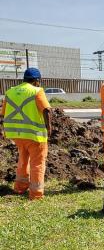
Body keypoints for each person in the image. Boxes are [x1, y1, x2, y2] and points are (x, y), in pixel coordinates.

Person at [0, 68, 52, 200]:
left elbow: (3, 113)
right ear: (36, 80)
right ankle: (36, 193)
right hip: (35, 135)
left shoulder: (10, 91)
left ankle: (20, 187)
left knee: (23, 160)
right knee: (38, 163)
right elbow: (46, 110)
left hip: (17, 134)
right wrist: (49, 127)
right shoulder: (37, 91)